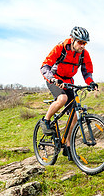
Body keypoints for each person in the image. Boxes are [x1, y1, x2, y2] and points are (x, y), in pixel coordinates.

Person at [40, 26, 98, 161]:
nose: (82, 46)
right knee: (62, 98)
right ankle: (46, 121)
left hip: (69, 81)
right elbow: (44, 66)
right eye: (80, 42)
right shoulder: (60, 48)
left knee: (75, 114)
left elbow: (86, 71)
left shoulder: (84, 54)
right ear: (73, 40)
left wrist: (91, 82)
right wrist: (53, 79)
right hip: (55, 79)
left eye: (85, 43)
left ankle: (68, 145)